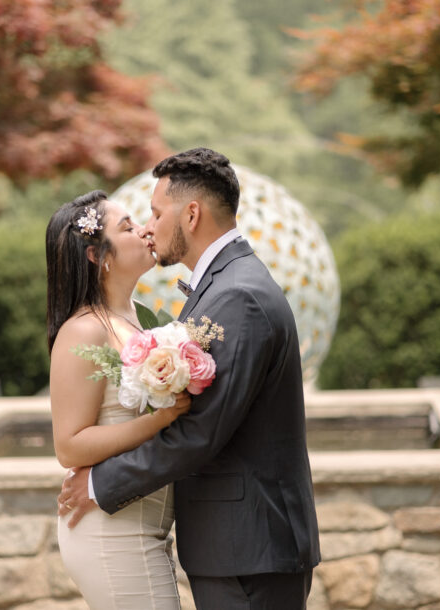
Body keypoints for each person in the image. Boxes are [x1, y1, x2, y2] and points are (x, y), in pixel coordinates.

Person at [58, 148, 321, 610]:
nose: (149, 226)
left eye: (157, 213)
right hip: (237, 549)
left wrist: (101, 485)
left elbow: (201, 429)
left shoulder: (236, 294)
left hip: (249, 550)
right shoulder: (224, 287)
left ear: (192, 214)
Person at [46, 190, 192, 609]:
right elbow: (69, 445)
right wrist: (163, 418)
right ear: (98, 256)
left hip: (143, 527)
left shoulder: (140, 319)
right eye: (127, 227)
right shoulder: (84, 330)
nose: (146, 230)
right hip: (110, 533)